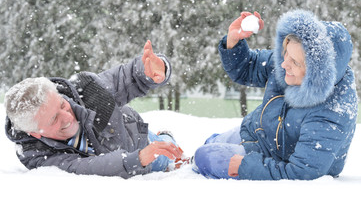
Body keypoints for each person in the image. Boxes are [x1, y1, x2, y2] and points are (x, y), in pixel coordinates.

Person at [193, 10, 358, 180]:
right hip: (255, 132)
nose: (284, 64)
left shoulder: (332, 113)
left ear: (318, 73)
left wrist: (247, 167)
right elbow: (246, 68)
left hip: (272, 160)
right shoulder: (286, 61)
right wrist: (233, 40)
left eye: (295, 62)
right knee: (210, 143)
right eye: (286, 52)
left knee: (204, 156)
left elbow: (303, 172)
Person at [5, 40, 187, 179]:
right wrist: (134, 160)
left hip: (135, 138)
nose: (67, 117)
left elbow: (126, 76)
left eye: (62, 105)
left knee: (165, 154)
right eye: (53, 119)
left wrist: (153, 71)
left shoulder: (87, 89)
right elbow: (81, 167)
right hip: (136, 157)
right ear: (35, 133)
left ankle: (166, 136)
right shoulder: (35, 152)